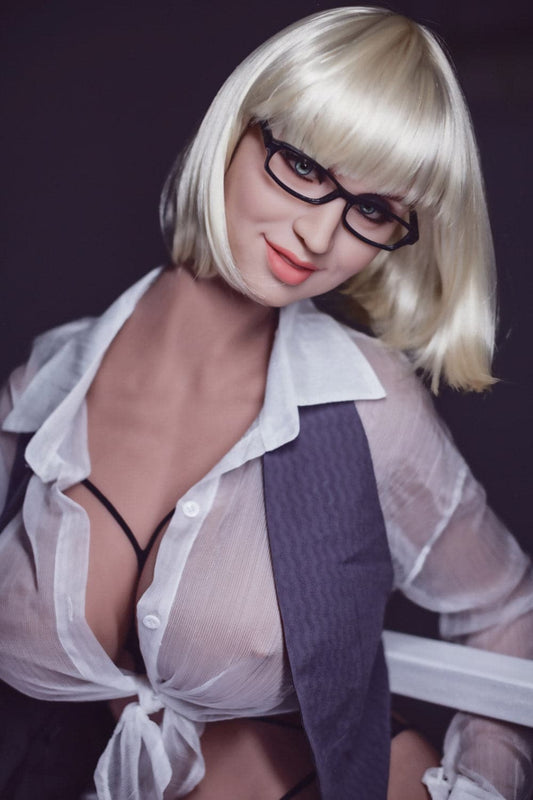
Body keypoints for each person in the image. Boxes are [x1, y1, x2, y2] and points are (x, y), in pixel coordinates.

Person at [0, 6, 532, 800]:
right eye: (306, 168)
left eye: (372, 210)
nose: (318, 236)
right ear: (236, 130)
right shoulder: (43, 388)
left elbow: (506, 609)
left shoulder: (368, 407)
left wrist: (480, 786)